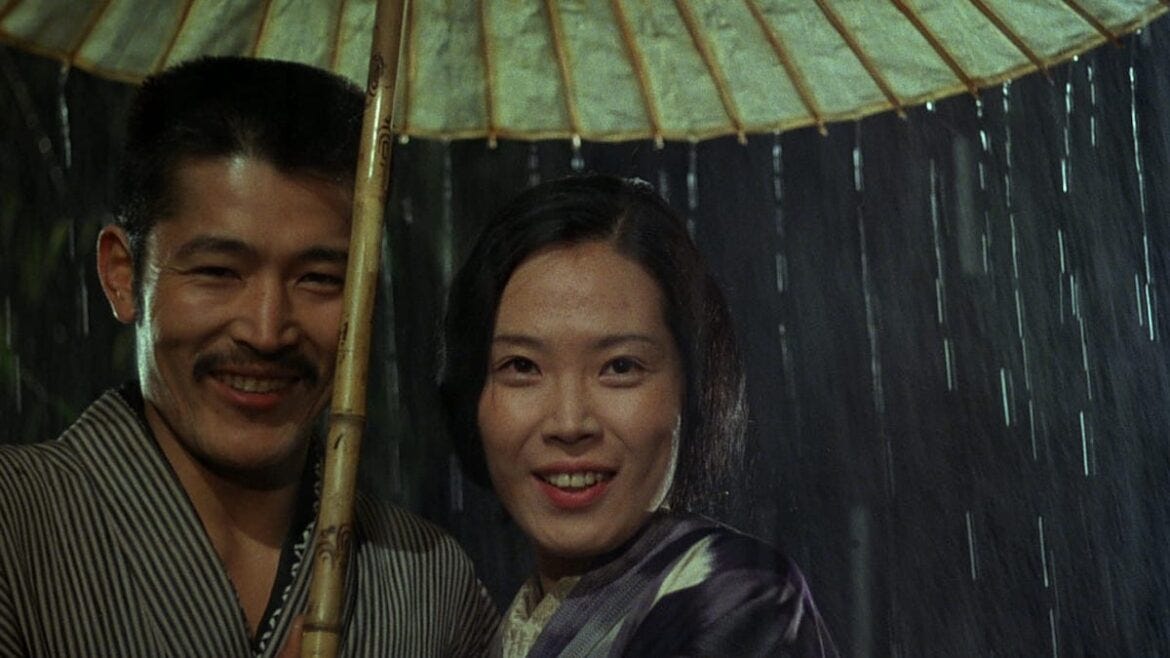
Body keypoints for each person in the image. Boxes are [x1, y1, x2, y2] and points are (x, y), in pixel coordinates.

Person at [0, 57, 497, 657]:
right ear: (122, 275)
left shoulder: (428, 584)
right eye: (217, 271)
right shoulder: (16, 524)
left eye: (319, 278)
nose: (267, 332)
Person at [440, 174, 839, 657]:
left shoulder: (733, 602)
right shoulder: (503, 625)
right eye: (522, 367)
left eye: (620, 367)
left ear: (693, 389)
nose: (569, 423)